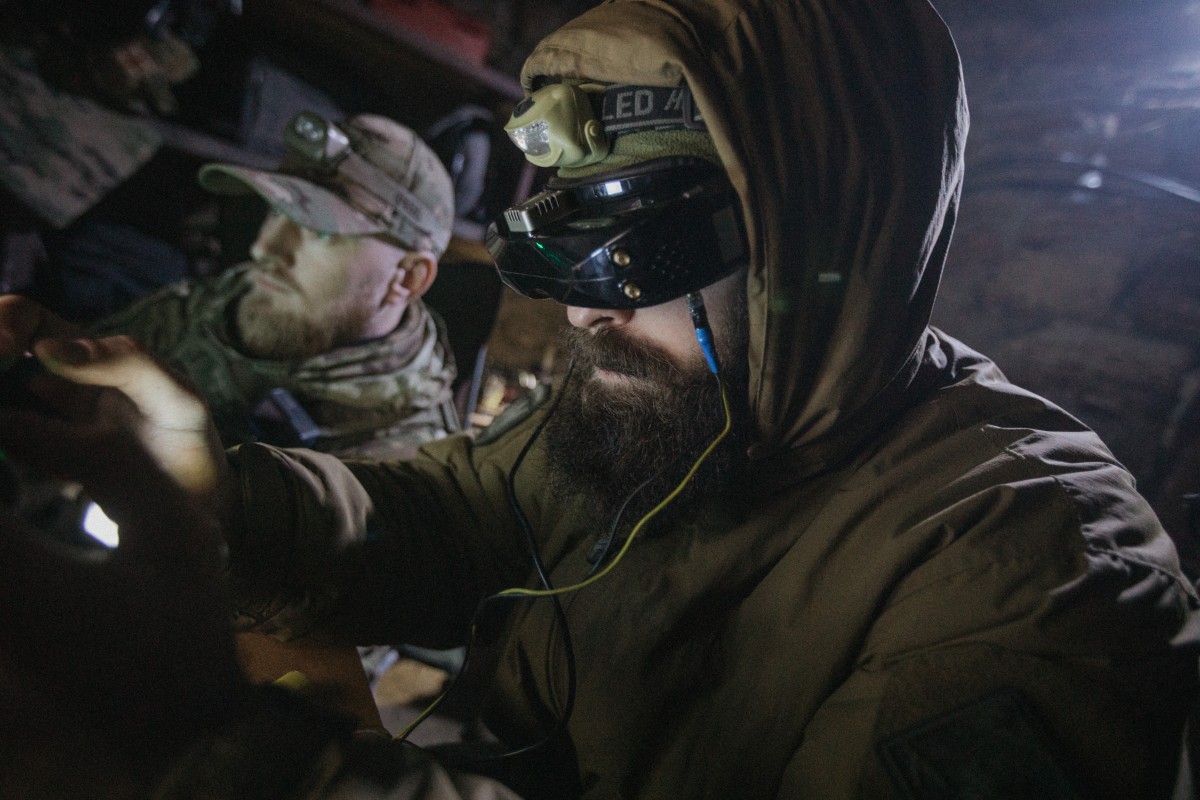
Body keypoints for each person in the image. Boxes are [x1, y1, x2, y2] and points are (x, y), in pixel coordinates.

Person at [1, 1, 1199, 799]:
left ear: (825, 236)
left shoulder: (1043, 580)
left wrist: (220, 747)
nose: (584, 313)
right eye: (559, 255)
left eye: (636, 255)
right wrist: (205, 482)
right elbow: (432, 515)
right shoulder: (662, 408)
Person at [90, 110, 461, 459]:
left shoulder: (406, 462)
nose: (264, 247)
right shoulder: (215, 306)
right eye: (277, 209)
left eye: (319, 230)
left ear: (407, 279)